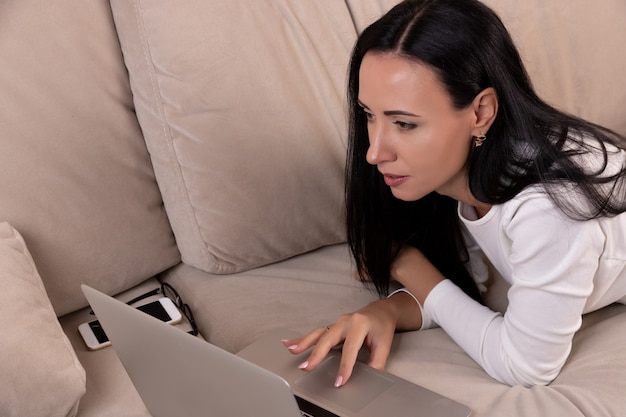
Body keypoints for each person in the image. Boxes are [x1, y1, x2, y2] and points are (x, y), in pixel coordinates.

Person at [282, 0, 626, 388]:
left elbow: (526, 366)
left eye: (404, 124)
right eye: (369, 115)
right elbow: (466, 283)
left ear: (481, 112)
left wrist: (408, 266)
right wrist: (387, 313)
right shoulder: (462, 171)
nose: (374, 152)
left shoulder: (549, 208)